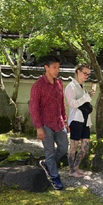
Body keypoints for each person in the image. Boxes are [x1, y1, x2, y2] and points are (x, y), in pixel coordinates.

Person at [29, 56, 68, 190]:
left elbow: (62, 103)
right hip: (45, 124)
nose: (57, 70)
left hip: (59, 122)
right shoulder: (38, 85)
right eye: (54, 67)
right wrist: (38, 127)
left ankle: (47, 164)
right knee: (49, 152)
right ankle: (55, 177)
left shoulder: (59, 83)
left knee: (64, 148)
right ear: (46, 67)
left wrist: (65, 120)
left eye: (58, 67)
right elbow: (33, 107)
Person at [64, 63, 95, 178]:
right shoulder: (71, 86)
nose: (86, 76)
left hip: (85, 119)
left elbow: (82, 102)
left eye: (88, 74)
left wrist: (88, 103)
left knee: (85, 145)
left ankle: (76, 167)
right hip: (76, 119)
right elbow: (72, 104)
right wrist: (86, 97)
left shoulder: (82, 87)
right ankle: (71, 170)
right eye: (84, 73)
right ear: (78, 72)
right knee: (74, 145)